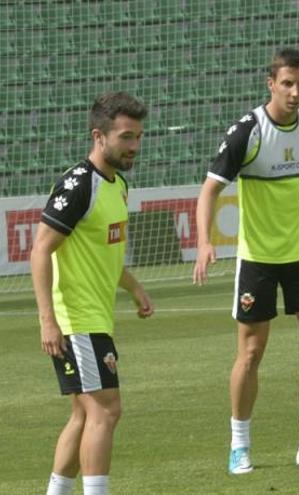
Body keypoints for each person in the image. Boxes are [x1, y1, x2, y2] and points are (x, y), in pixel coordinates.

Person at [192, 47, 299, 473]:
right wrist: (205, 241)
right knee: (251, 352)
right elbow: (209, 189)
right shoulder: (248, 131)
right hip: (258, 259)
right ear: (271, 84)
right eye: (287, 84)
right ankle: (239, 444)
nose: (296, 92)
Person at [32, 92, 154, 495]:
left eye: (137, 137)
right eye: (126, 137)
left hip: (94, 318)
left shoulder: (117, 185)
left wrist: (134, 288)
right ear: (99, 136)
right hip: (76, 320)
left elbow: (106, 252)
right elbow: (41, 249)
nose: (134, 146)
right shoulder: (78, 183)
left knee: (85, 415)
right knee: (107, 409)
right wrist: (48, 320)